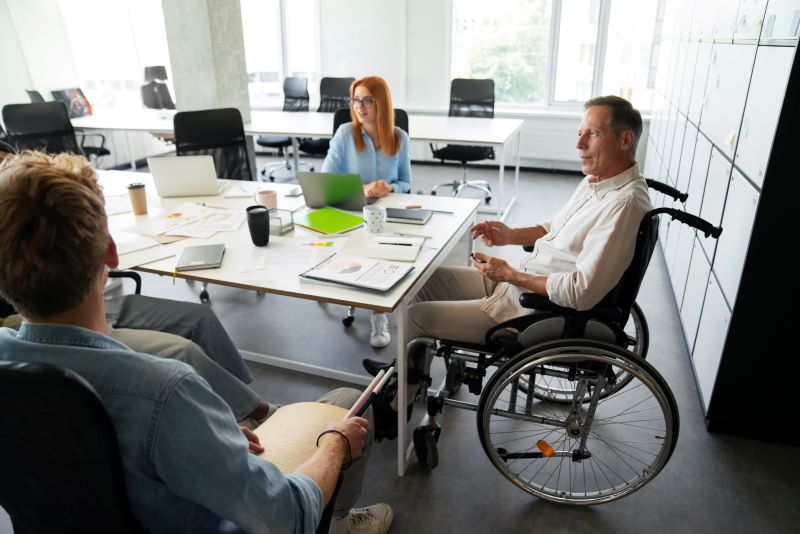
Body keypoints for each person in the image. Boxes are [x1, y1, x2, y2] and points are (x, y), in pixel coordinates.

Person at [0, 151, 393, 534]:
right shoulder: (164, 391)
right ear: (111, 251)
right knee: (345, 405)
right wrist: (335, 444)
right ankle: (342, 524)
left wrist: (202, 439)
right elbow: (286, 516)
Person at [371, 96, 652, 425]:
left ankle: (396, 404)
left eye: (591, 134)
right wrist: (510, 235)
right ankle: (409, 372)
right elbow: (555, 229)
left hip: (533, 309)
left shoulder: (625, 205)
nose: (578, 143)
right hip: (521, 283)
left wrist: (511, 275)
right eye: (579, 132)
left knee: (414, 318)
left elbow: (581, 291)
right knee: (423, 278)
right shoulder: (597, 183)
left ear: (625, 139)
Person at [0, 147, 270, 429]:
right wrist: (324, 442)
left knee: (198, 319)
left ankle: (249, 407)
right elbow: (260, 475)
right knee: (320, 410)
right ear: (111, 252)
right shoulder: (165, 388)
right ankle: (258, 414)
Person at [322, 75, 411, 348]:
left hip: (386, 212)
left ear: (381, 103)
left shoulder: (399, 137)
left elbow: (406, 183)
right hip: (350, 208)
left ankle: (378, 314)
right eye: (356, 100)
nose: (360, 106)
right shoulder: (345, 134)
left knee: (385, 252)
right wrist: (365, 188)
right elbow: (327, 179)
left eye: (367, 100)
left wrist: (388, 187)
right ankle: (372, 302)